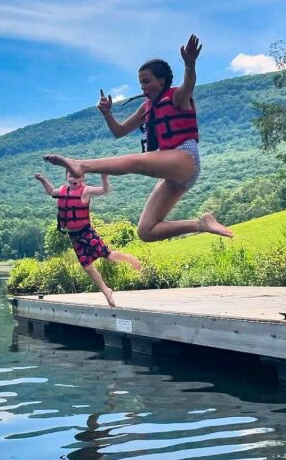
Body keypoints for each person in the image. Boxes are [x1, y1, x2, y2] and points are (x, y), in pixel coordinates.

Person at [44, 34, 233, 242]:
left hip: (186, 158)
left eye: (146, 81)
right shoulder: (146, 108)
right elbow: (119, 131)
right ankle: (201, 223)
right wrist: (108, 114)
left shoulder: (177, 97)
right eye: (140, 82)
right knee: (146, 231)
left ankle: (81, 165)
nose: (142, 87)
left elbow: (189, 85)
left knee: (136, 161)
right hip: (173, 175)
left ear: (162, 81)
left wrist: (189, 64)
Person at [34, 171, 141, 307]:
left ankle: (128, 258)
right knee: (87, 267)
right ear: (67, 177)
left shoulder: (85, 191)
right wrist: (42, 179)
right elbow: (51, 191)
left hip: (86, 232)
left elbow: (105, 190)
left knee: (107, 255)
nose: (75, 179)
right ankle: (106, 290)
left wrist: (104, 176)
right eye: (71, 176)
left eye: (78, 176)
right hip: (74, 236)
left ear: (83, 178)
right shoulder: (62, 191)